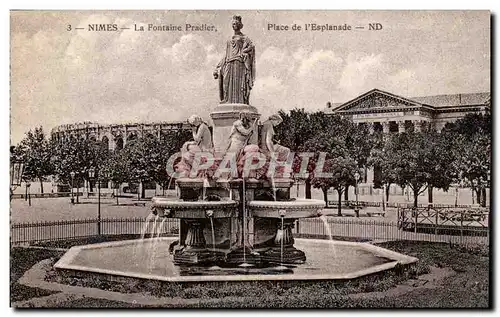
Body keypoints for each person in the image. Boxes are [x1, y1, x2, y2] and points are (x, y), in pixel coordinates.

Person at [213, 16, 256, 105]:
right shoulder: (229, 39)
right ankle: (226, 99)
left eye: (236, 23)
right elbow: (226, 54)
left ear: (240, 25)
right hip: (229, 62)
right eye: (233, 24)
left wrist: (244, 51)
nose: (234, 25)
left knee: (238, 85)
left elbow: (252, 47)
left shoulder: (244, 37)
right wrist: (217, 67)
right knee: (226, 82)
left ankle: (240, 101)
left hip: (239, 63)